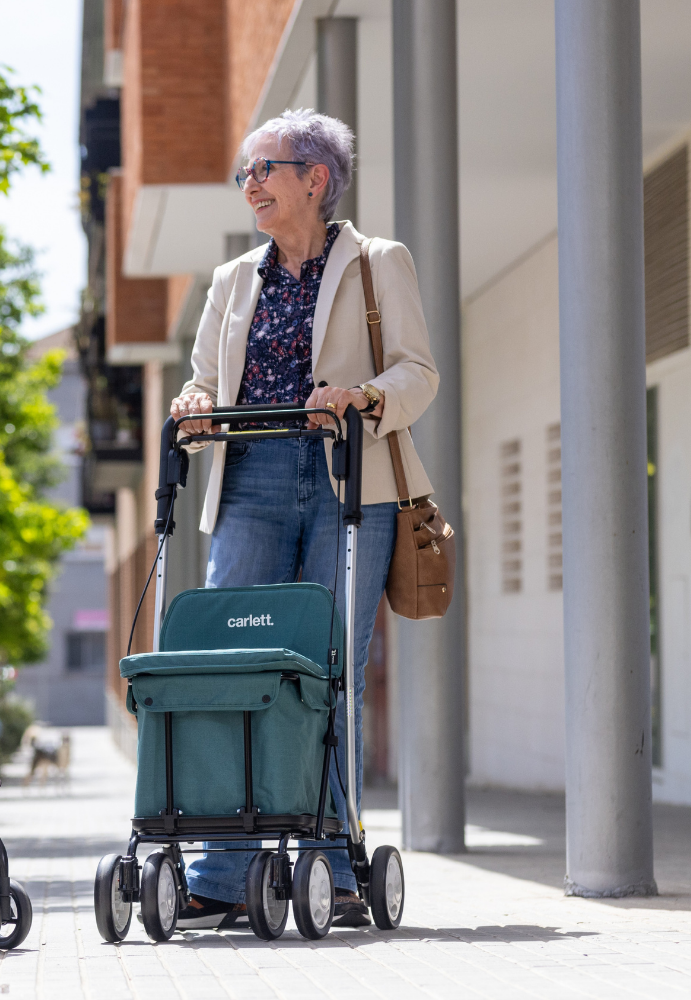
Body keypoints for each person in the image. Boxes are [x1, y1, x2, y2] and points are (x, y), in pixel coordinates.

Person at [167, 109, 438, 930]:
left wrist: (365, 396)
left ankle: (332, 863)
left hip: (346, 479)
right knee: (228, 663)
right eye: (244, 173)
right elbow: (202, 381)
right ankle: (221, 870)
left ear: (314, 180)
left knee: (329, 673)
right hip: (249, 477)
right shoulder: (232, 280)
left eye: (265, 170)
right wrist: (194, 403)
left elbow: (418, 372)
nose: (250, 184)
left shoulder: (378, 263)